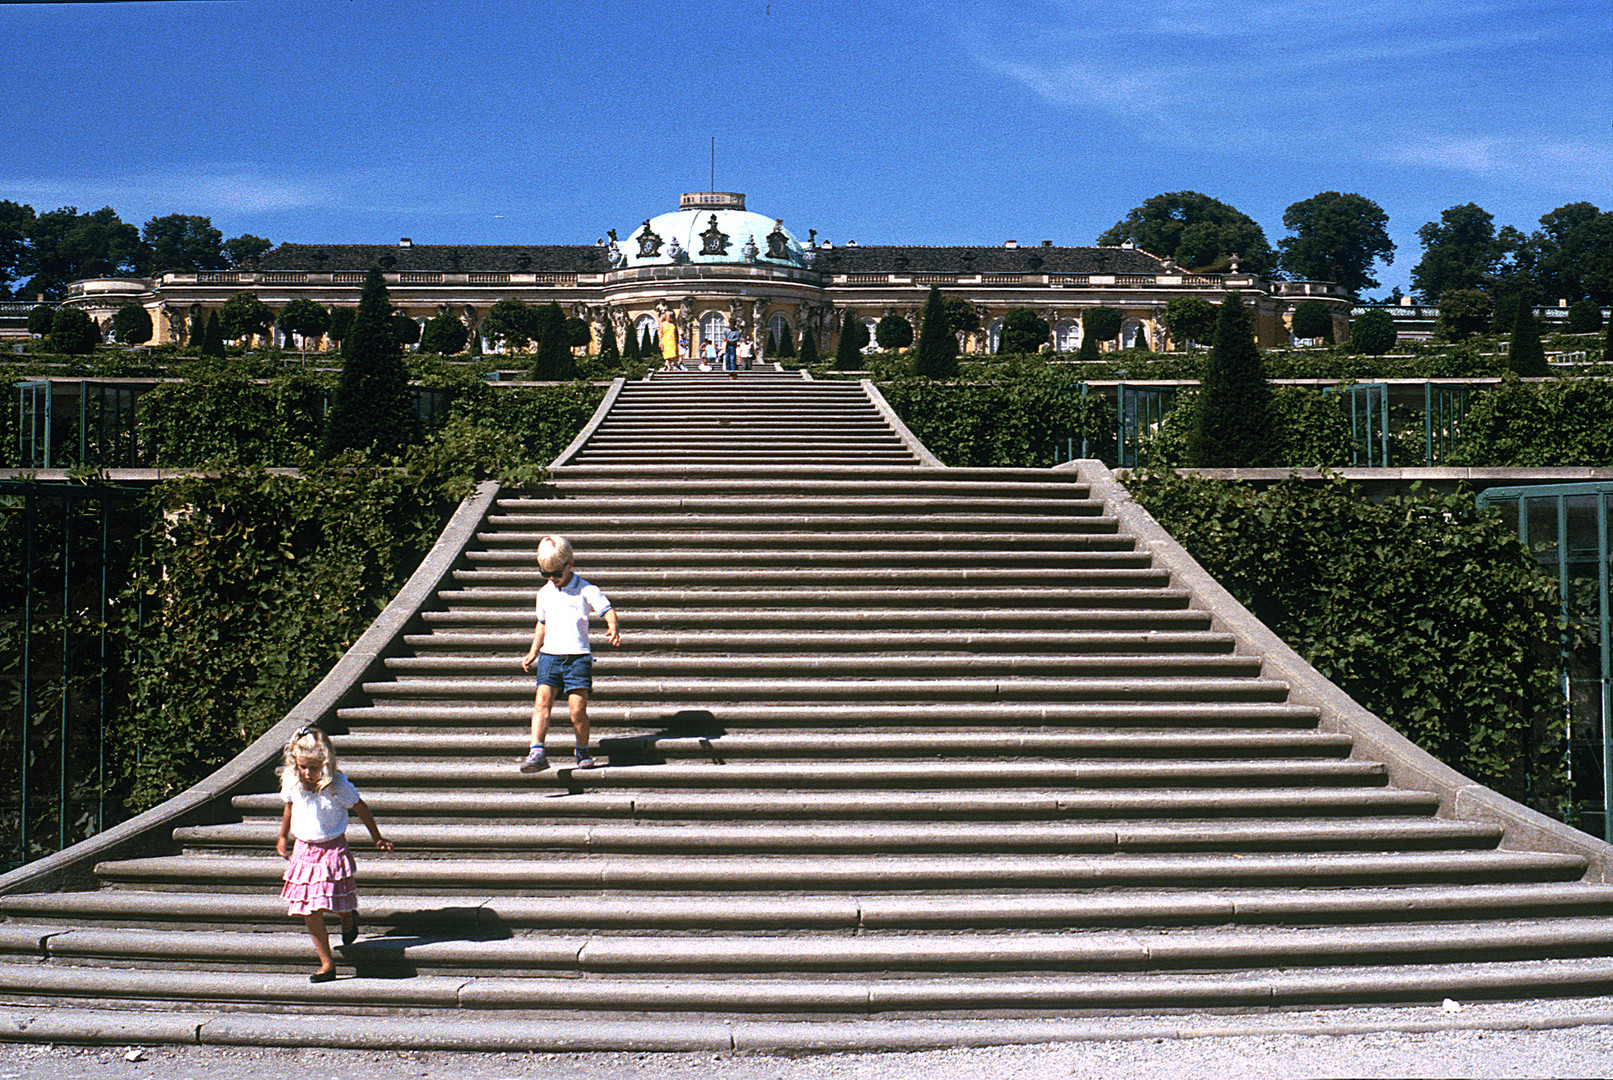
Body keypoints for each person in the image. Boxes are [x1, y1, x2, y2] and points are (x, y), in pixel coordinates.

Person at [277, 725, 392, 983]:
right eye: (303, 766)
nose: (309, 773)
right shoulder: (293, 780)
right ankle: (327, 963)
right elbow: (289, 807)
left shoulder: (337, 785)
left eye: (314, 767)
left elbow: (361, 808)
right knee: (310, 907)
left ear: (326, 762)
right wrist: (283, 836)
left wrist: (377, 837)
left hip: (332, 849)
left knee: (335, 899)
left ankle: (348, 916)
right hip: (305, 849)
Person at [520, 535, 620, 772]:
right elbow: (542, 623)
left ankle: (582, 749)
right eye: (545, 574)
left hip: (577, 657)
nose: (552, 579)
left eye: (556, 573)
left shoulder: (586, 589)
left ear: (570, 565)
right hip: (550, 656)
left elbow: (606, 609)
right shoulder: (544, 592)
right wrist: (533, 651)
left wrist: (612, 626)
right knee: (542, 703)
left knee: (577, 710)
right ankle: (536, 751)